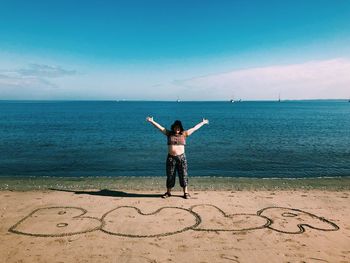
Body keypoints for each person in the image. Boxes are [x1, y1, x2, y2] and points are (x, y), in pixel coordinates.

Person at [146, 117, 209, 199]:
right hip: (171, 158)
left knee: (184, 175)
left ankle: (185, 193)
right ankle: (168, 192)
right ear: (173, 128)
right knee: (170, 176)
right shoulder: (169, 134)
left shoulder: (184, 134)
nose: (177, 129)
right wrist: (152, 121)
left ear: (180, 128)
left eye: (178, 128)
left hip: (181, 158)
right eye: (176, 127)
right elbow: (160, 128)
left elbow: (194, 129)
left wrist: (202, 123)